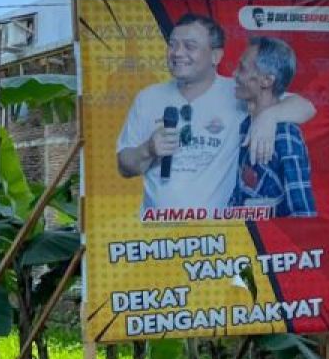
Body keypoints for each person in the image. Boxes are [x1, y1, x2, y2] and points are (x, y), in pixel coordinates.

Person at [116, 14, 314, 212]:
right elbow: (124, 166)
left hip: (219, 235)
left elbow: (305, 107)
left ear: (216, 56)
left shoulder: (238, 92)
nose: (177, 53)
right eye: (172, 44)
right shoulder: (148, 97)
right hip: (157, 235)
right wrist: (148, 149)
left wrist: (269, 117)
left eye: (190, 46)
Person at [230, 37, 316, 217]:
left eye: (242, 68)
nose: (234, 74)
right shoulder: (246, 125)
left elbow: (303, 214)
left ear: (267, 80)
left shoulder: (286, 134)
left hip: (271, 243)